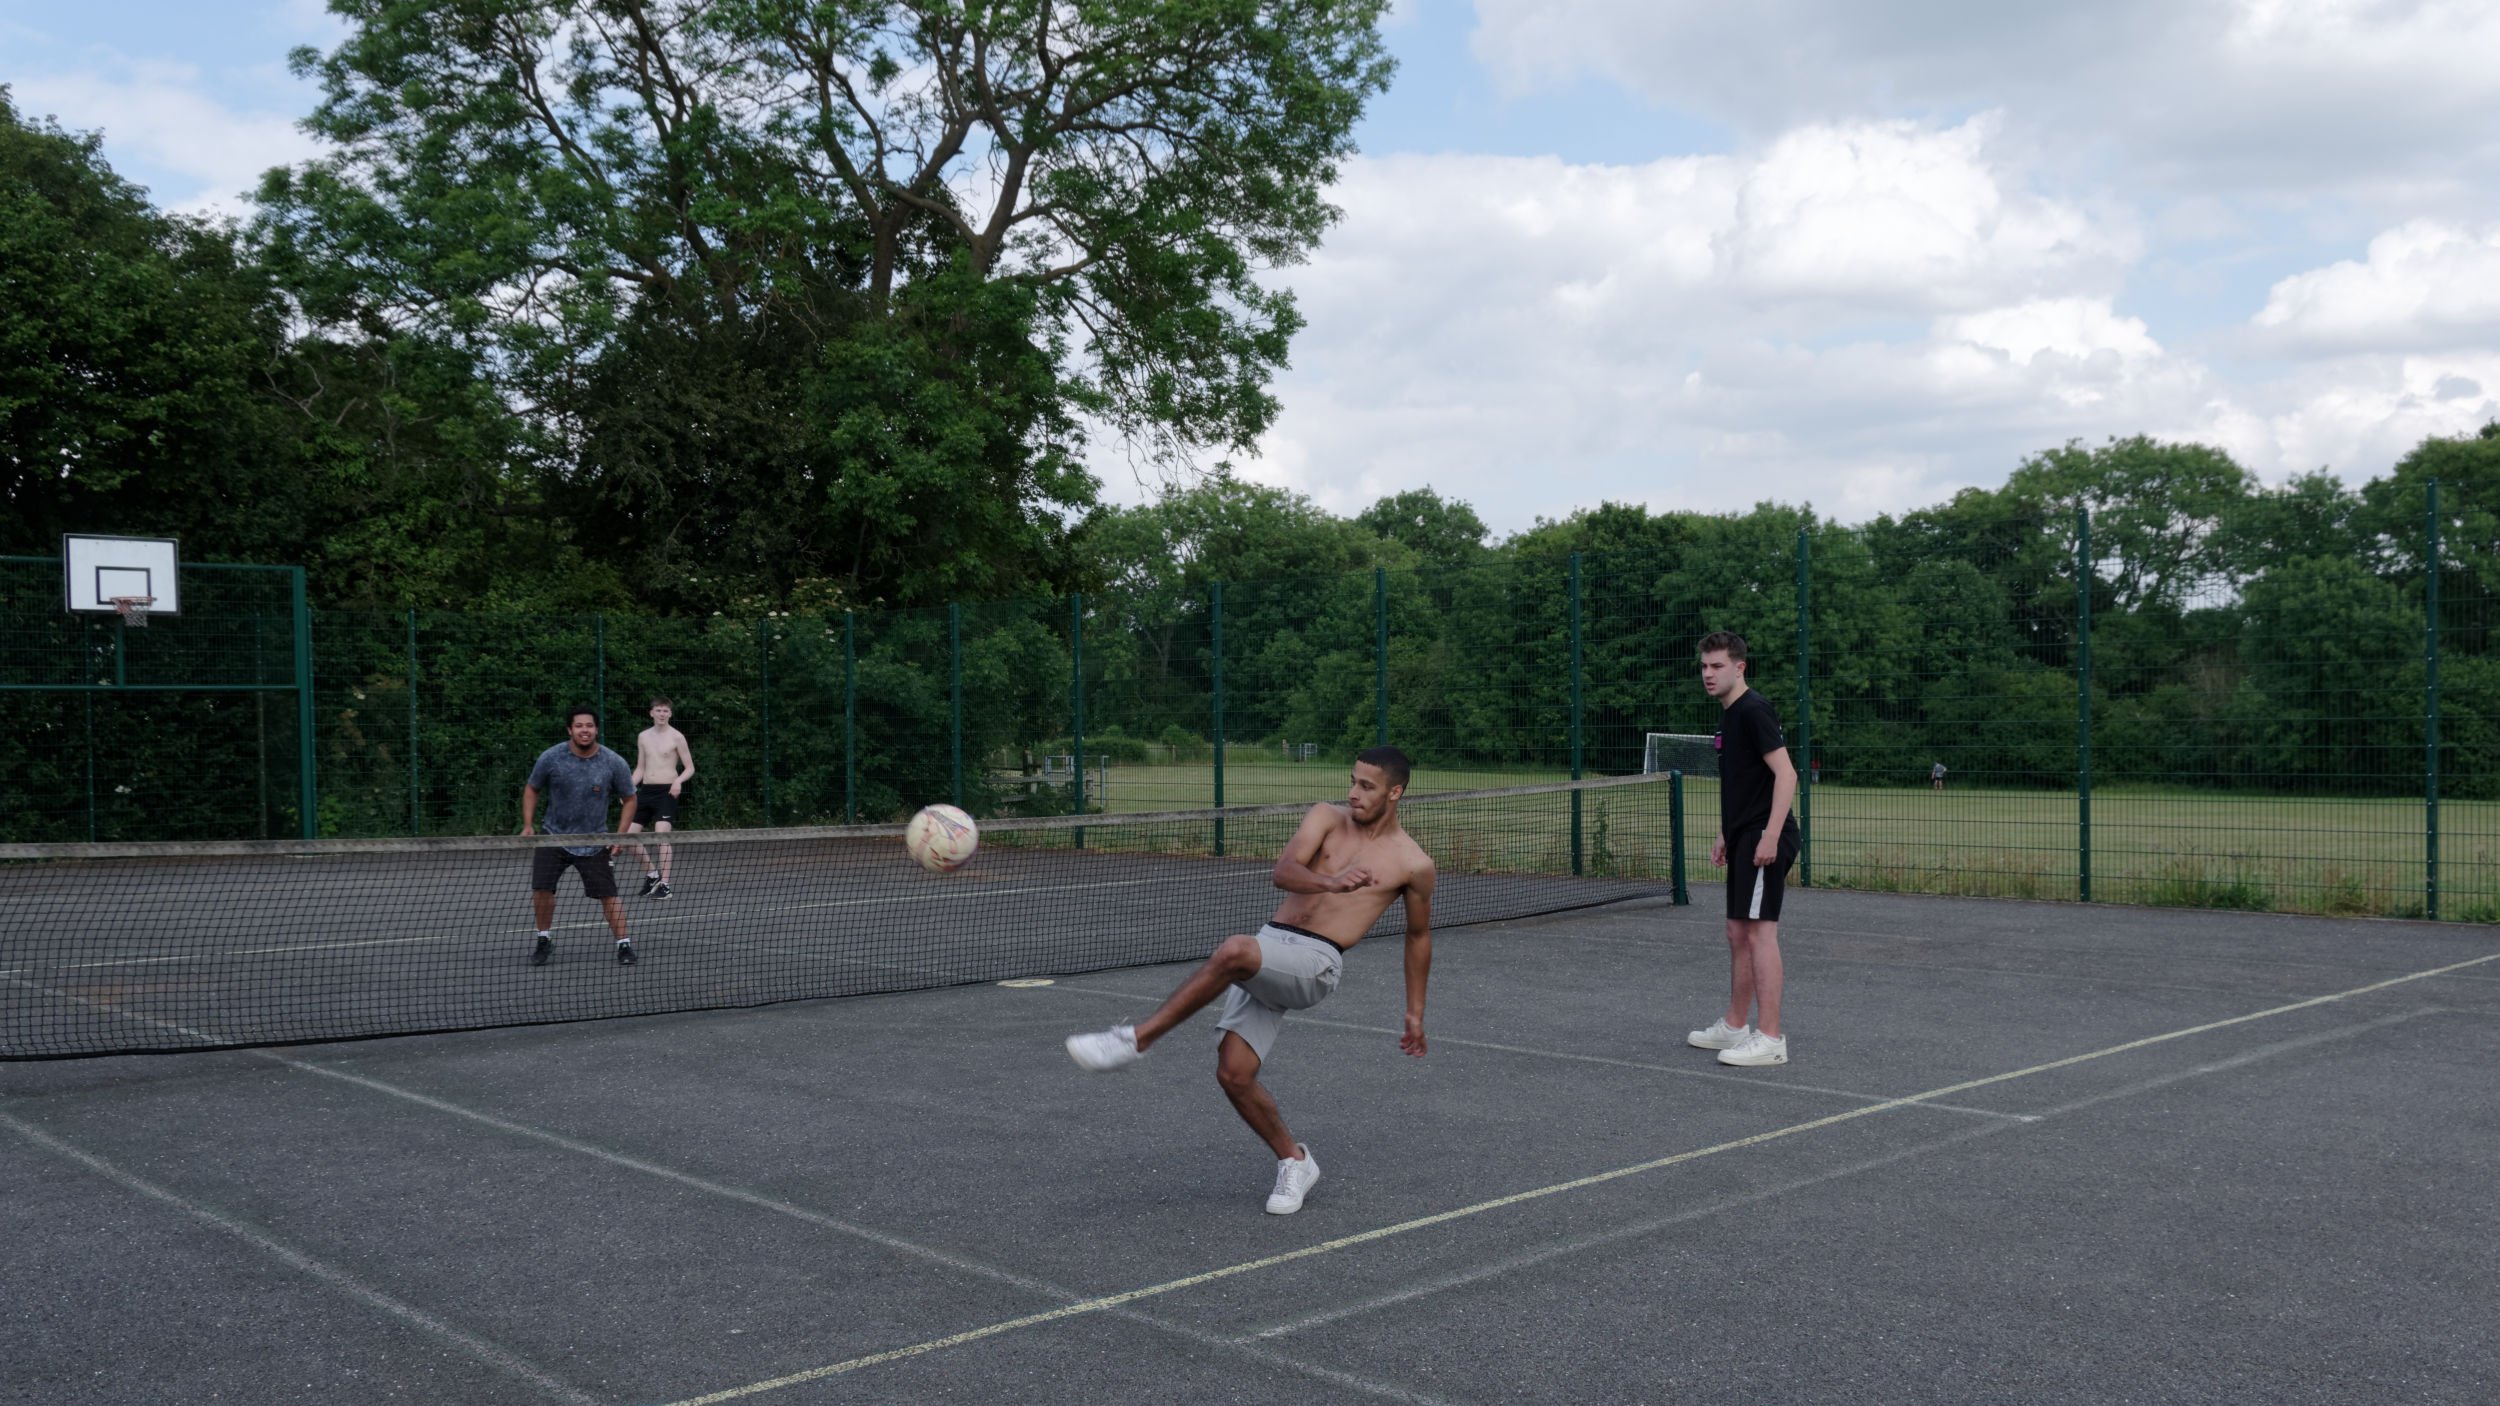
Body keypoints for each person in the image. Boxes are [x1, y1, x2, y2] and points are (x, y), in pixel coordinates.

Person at [1064, 745, 1437, 1215]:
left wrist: (1415, 1012)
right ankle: (1295, 1160)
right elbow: (1283, 872)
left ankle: (1133, 1040)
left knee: (1234, 950)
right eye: (1353, 781)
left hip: (1318, 963)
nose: (1354, 793)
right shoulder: (1326, 817)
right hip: (1273, 944)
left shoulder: (1412, 863)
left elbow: (1418, 936)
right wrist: (1330, 881)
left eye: (1367, 786)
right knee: (1234, 1074)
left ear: (1395, 792)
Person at [1686, 631, 1799, 1068]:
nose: (1708, 674)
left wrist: (1770, 835)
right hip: (1743, 835)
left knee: (1758, 932)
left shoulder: (1754, 710)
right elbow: (1743, 783)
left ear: (1739, 667)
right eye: (1704, 666)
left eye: (1717, 666)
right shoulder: (1728, 716)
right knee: (1737, 932)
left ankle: (1771, 1038)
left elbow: (1785, 775)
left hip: (1764, 838)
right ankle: (1735, 1025)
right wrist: (1724, 833)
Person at [521, 706, 640, 967]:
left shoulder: (612, 761)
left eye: (589, 726)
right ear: (570, 730)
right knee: (541, 889)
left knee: (609, 895)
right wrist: (528, 824)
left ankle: (624, 945)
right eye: (578, 726)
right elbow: (532, 788)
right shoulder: (551, 758)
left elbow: (630, 798)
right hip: (553, 836)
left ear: (596, 729)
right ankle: (543, 940)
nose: (584, 730)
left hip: (595, 840)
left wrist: (620, 836)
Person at [627, 696, 696, 898]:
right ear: (651, 713)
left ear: (670, 714)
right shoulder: (643, 737)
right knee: (628, 837)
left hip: (667, 792)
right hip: (646, 792)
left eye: (665, 711)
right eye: (658, 710)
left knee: (661, 835)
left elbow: (690, 767)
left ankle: (665, 885)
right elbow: (640, 768)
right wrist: (628, 789)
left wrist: (678, 782)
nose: (662, 714)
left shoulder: (677, 737)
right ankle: (652, 874)